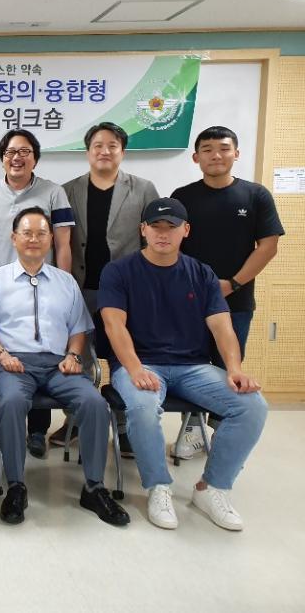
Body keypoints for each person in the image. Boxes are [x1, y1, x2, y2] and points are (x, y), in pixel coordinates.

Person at [98, 198, 268, 531]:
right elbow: (114, 325)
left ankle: (212, 488)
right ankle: (158, 487)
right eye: (156, 227)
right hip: (141, 364)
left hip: (192, 367)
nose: (163, 234)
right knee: (143, 406)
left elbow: (222, 326)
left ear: (185, 230)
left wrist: (234, 368)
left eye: (171, 227)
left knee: (252, 406)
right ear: (143, 230)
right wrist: (134, 368)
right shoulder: (119, 271)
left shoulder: (201, 274)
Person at [0, 207, 129, 526]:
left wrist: (74, 356)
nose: (34, 239)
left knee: (94, 403)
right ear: (13, 238)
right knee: (11, 402)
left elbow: (78, 329)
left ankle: (94, 487)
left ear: (50, 240)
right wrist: (1, 355)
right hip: (13, 363)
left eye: (41, 233)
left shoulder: (65, 282)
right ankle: (16, 486)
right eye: (27, 233)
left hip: (60, 364)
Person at [170, 125, 283, 459]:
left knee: (227, 366)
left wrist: (232, 283)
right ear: (196, 157)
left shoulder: (256, 195)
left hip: (236, 299)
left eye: (223, 148)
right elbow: (171, 245)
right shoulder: (182, 197)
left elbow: (268, 246)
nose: (216, 155)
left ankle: (222, 431)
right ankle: (192, 429)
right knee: (191, 364)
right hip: (188, 300)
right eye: (207, 149)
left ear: (236, 153)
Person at [58, 122, 158, 453]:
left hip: (127, 291)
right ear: (87, 151)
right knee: (79, 356)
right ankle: (76, 420)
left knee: (122, 356)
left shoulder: (143, 189)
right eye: (98, 145)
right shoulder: (68, 190)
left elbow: (153, 239)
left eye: (112, 145)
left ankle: (125, 426)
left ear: (122, 151)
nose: (104, 151)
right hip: (80, 287)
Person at [0, 129, 75, 455]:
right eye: (10, 152)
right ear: (2, 157)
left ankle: (37, 430)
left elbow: (63, 245)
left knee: (41, 352)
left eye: (24, 152)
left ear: (35, 158)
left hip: (42, 289)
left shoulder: (53, 192)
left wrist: (64, 286)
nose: (17, 158)